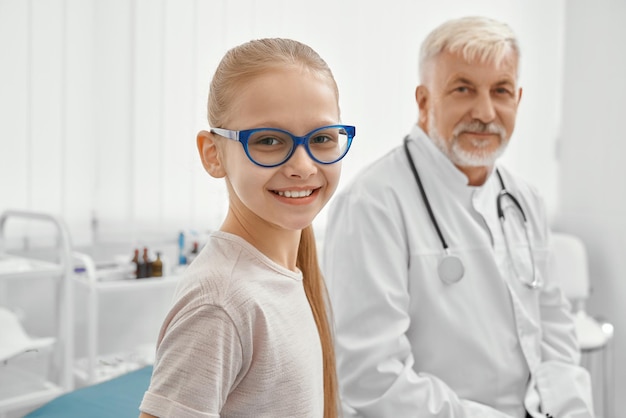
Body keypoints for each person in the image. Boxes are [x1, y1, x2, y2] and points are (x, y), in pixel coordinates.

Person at [322, 16, 594, 418]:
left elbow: (554, 331)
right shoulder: (373, 204)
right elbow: (370, 378)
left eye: (500, 91)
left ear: (517, 99)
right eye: (463, 89)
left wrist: (573, 410)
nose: (485, 112)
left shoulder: (524, 198)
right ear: (424, 101)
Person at [139, 38, 355, 418]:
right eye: (269, 140)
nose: (303, 166)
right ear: (213, 154)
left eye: (321, 138)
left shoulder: (289, 274)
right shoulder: (221, 302)